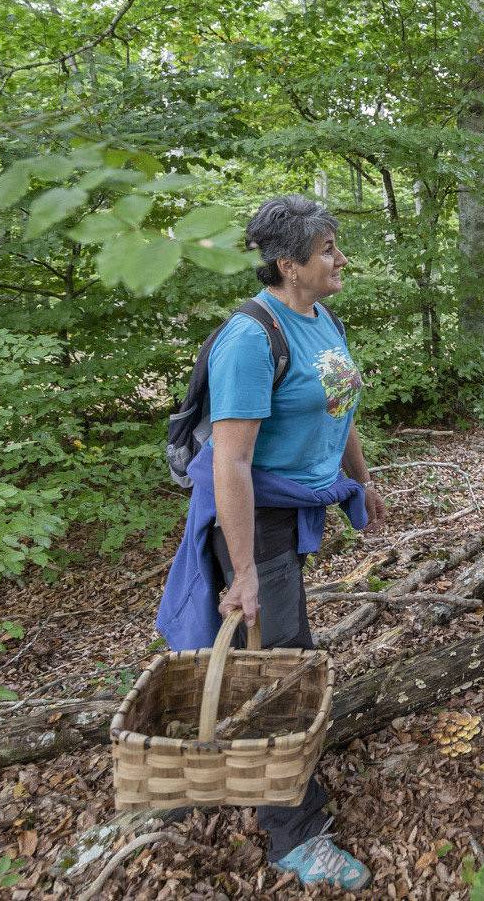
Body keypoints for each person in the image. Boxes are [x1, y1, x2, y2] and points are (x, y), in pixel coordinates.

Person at [155, 195, 383, 890]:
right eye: (326, 252)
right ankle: (294, 833)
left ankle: (273, 764)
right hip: (254, 522)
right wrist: (246, 570)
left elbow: (340, 404)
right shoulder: (252, 339)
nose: (339, 259)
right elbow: (229, 463)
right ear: (289, 265)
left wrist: (362, 480)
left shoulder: (320, 317)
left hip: (295, 512)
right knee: (282, 669)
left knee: (283, 653)